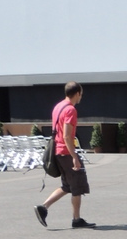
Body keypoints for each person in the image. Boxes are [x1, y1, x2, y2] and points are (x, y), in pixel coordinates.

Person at [34, 82, 95, 228]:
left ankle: (43, 207)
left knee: (67, 185)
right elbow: (67, 136)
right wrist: (74, 157)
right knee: (77, 186)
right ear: (77, 93)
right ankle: (76, 219)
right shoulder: (70, 110)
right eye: (81, 94)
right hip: (66, 152)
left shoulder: (58, 106)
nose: (81, 97)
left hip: (58, 150)